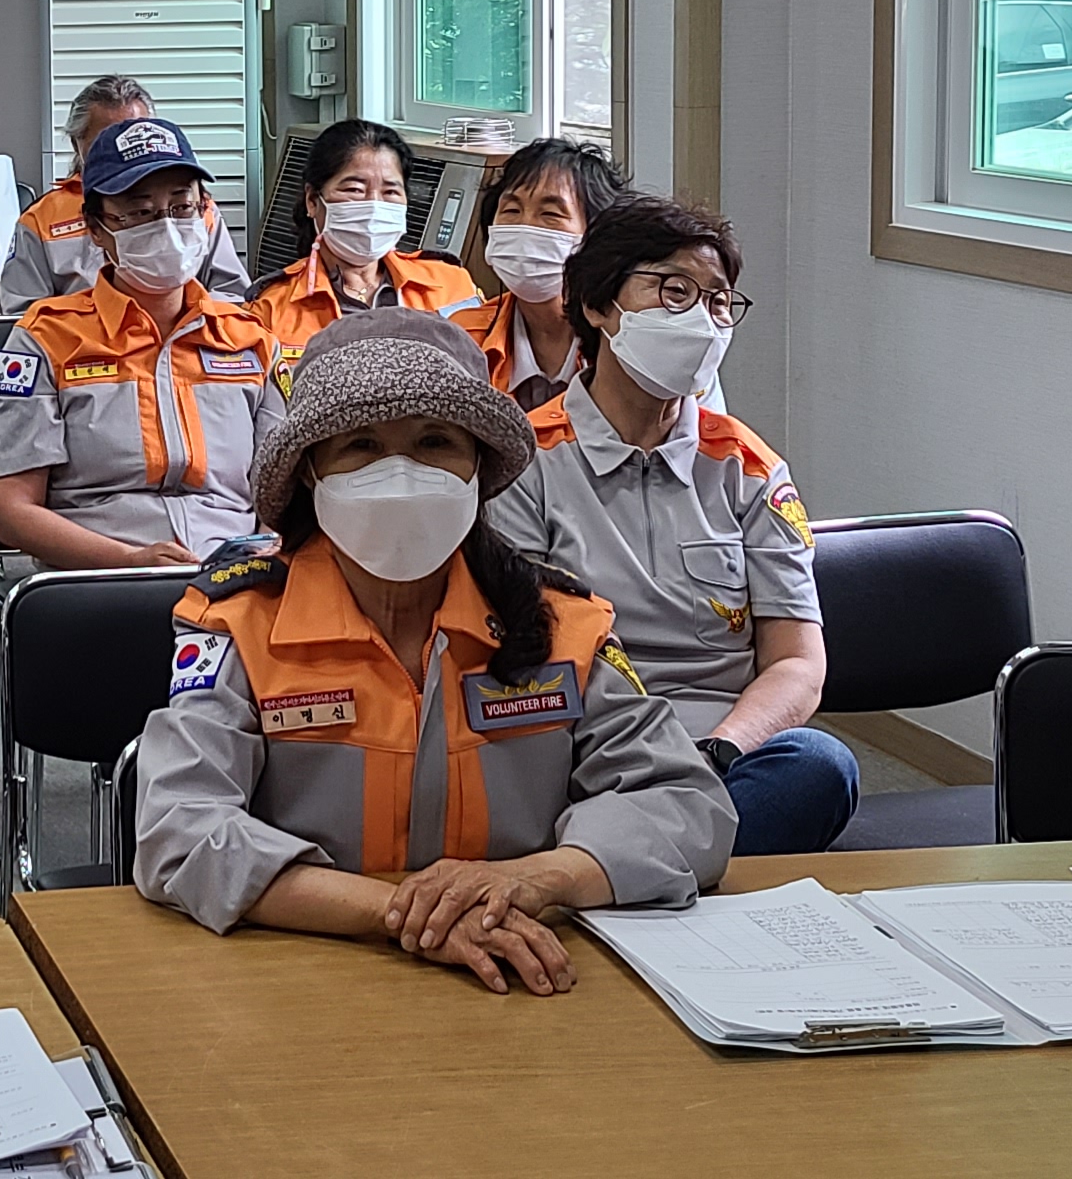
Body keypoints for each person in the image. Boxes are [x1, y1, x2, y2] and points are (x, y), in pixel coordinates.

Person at [135, 311, 732, 988]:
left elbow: (689, 806)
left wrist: (535, 879)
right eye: (361, 445)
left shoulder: (561, 627)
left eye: (434, 441)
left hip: (522, 973)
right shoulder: (241, 623)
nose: (401, 473)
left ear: (478, 465)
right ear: (309, 472)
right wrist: (403, 914)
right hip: (299, 973)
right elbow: (179, 830)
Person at [488, 198, 848, 856]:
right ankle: (660, 858)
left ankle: (617, 864)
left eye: (719, 302)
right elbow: (526, 653)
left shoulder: (749, 469)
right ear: (598, 306)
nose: (703, 321)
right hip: (587, 743)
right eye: (675, 292)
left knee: (820, 765)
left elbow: (798, 663)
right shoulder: (526, 461)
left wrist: (721, 750)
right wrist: (638, 765)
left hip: (722, 753)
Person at [0, 115, 286, 570]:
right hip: (105, 575)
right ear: (97, 229)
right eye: (140, 213)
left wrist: (264, 552)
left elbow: (282, 493)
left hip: (233, 572)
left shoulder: (251, 340)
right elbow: (12, 513)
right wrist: (131, 560)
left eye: (182, 206)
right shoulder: (45, 339)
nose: (166, 226)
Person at [244, 118, 495, 376]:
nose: (374, 205)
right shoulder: (272, 308)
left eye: (390, 192)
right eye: (355, 189)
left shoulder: (451, 284)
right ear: (312, 201)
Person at [0, 74, 250, 309]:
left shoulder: (199, 208)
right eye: (108, 140)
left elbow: (233, 296)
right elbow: (23, 314)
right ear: (77, 143)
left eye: (138, 134)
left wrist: (184, 324)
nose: (125, 149)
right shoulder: (41, 219)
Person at [464, 138, 638, 411]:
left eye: (550, 214)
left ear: (596, 235)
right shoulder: (462, 339)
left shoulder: (629, 343)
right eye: (511, 210)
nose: (525, 226)